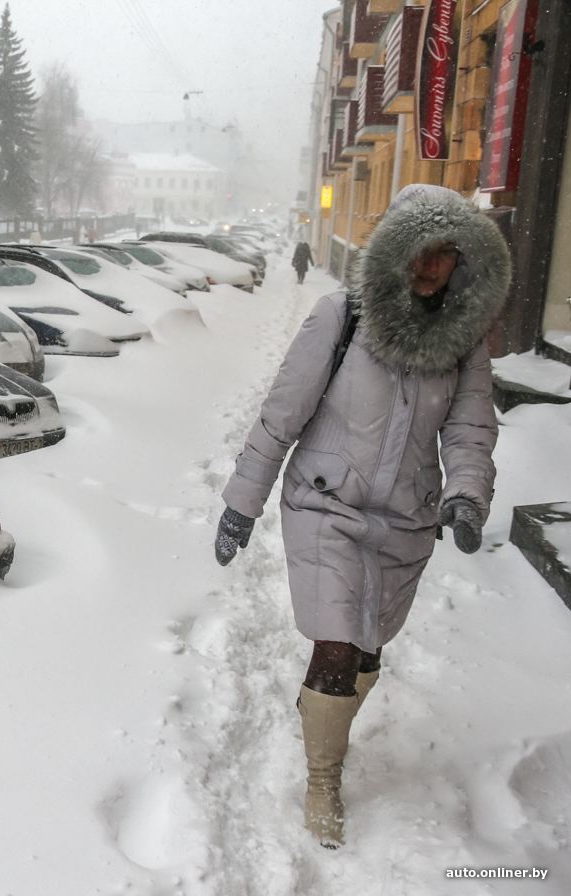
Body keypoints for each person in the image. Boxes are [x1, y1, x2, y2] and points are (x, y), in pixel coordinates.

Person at [213, 184, 509, 848]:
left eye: (443, 253)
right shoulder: (341, 317)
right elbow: (281, 414)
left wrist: (467, 494)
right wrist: (241, 503)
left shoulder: (462, 342)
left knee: (370, 649)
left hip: (405, 518)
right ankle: (323, 780)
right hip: (326, 502)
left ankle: (325, 710)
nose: (430, 266)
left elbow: (469, 431)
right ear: (392, 251)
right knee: (339, 641)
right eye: (418, 250)